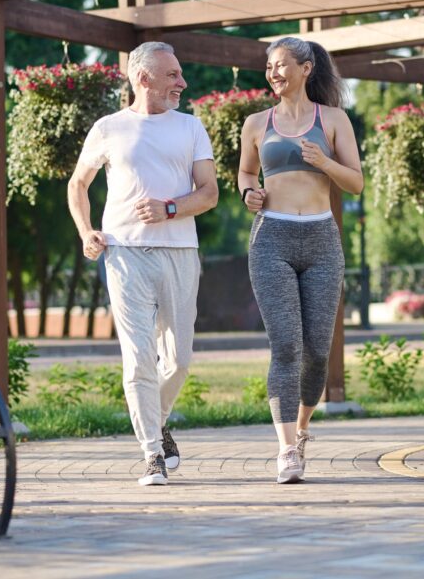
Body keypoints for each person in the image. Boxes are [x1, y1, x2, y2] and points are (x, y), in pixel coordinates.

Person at [68, 41, 218, 486]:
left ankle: (158, 421)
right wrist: (85, 231)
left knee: (179, 359)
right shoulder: (108, 127)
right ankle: (151, 453)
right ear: (143, 77)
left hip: (179, 252)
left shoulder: (191, 127)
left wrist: (170, 208)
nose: (182, 83)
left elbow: (209, 193)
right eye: (173, 74)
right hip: (124, 253)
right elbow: (79, 184)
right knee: (138, 360)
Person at [237, 37, 363, 484]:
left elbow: (356, 184)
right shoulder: (256, 123)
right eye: (268, 66)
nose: (272, 73)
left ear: (306, 68)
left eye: (280, 65)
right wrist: (248, 192)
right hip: (271, 237)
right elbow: (246, 172)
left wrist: (324, 162)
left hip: (321, 240)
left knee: (316, 350)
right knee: (286, 345)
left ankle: (303, 428)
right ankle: (287, 449)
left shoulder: (332, 120)